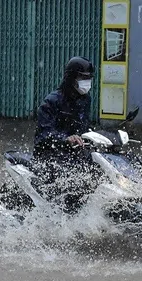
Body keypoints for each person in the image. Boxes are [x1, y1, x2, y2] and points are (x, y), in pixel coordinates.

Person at [32, 56, 100, 213]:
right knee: (70, 179)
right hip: (50, 154)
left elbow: (85, 127)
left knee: (97, 172)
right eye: (83, 78)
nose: (87, 82)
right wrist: (65, 139)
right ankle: (60, 214)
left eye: (89, 78)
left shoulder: (85, 99)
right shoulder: (51, 101)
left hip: (75, 153)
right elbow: (44, 133)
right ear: (71, 78)